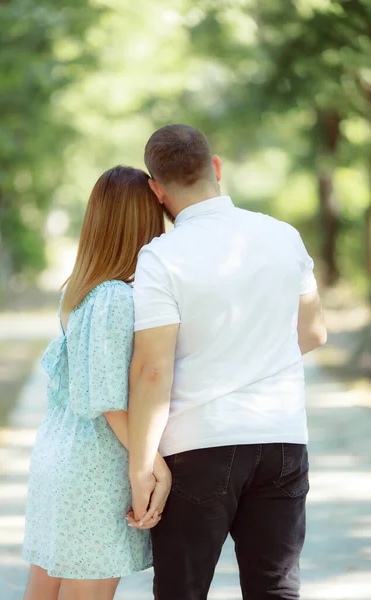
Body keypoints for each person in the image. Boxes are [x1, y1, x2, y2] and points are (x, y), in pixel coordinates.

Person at [127, 125, 327, 600]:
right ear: (216, 168)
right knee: (276, 588)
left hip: (200, 445)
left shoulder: (160, 257)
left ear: (157, 190)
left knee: (183, 590)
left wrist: (141, 467)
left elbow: (153, 370)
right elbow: (315, 332)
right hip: (282, 438)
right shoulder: (284, 236)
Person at [23, 166, 171, 600]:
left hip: (61, 456)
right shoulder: (116, 298)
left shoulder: (82, 291)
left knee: (44, 588)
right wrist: (152, 464)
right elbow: (108, 400)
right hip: (94, 468)